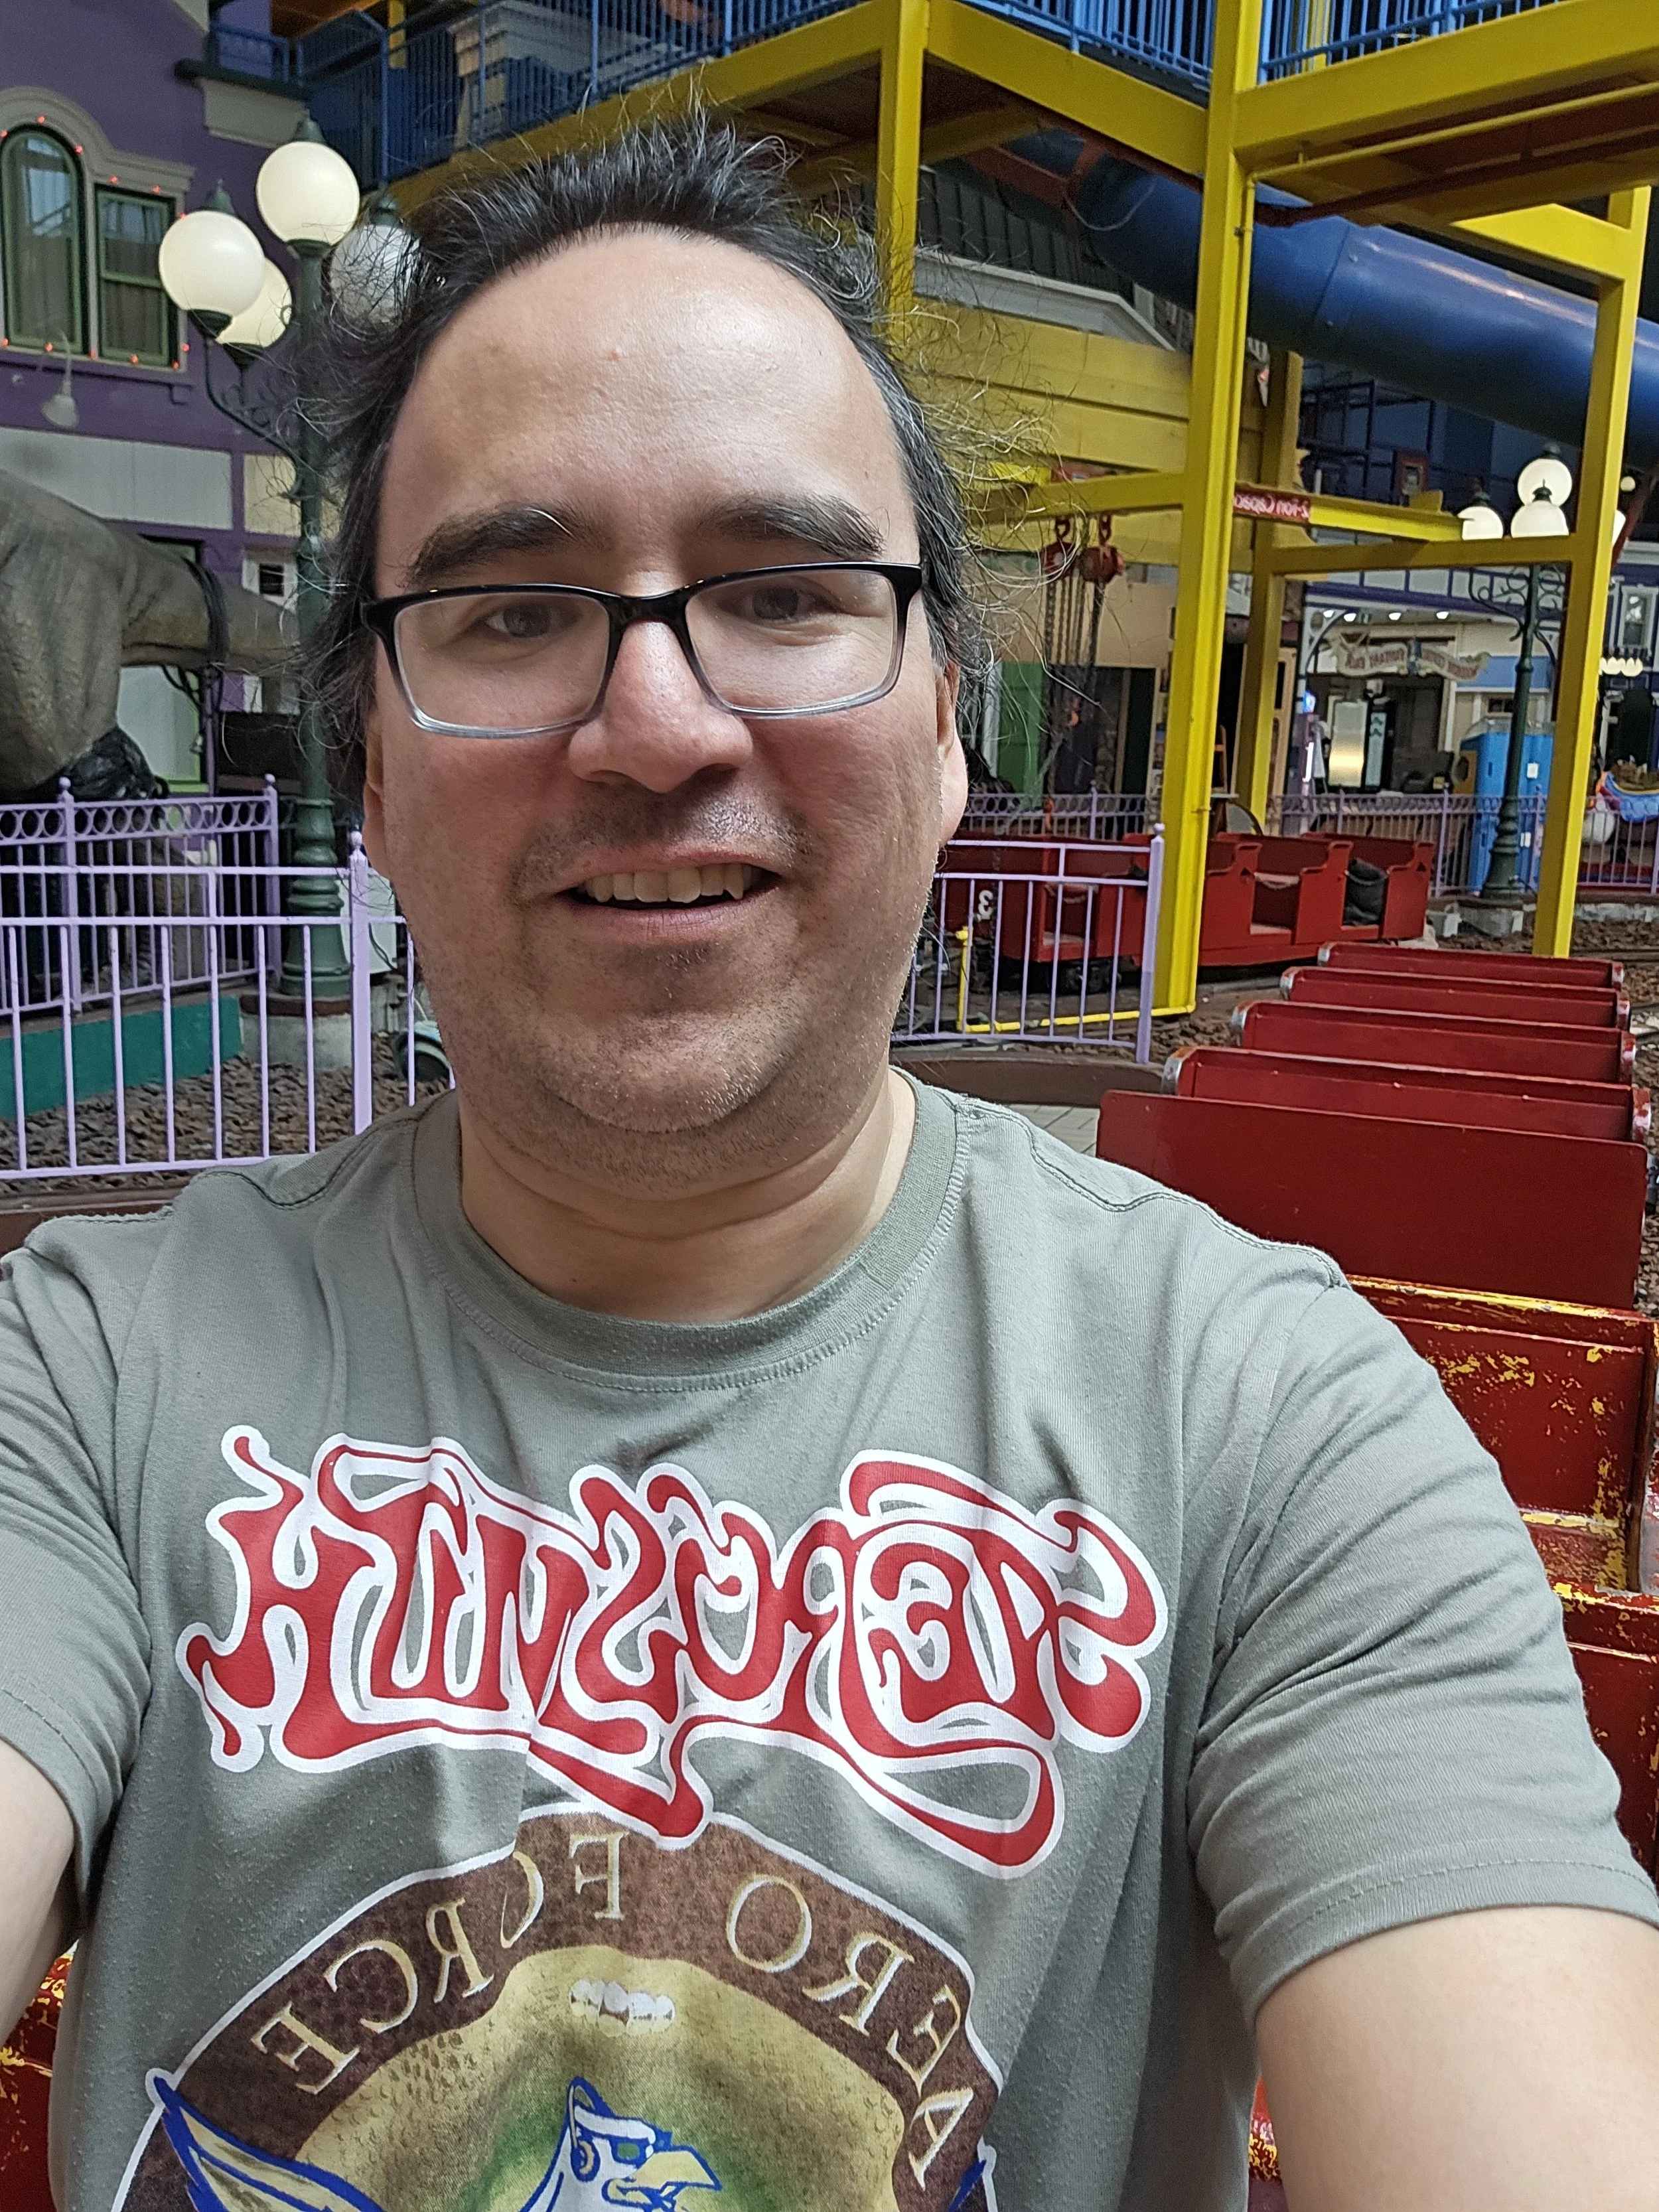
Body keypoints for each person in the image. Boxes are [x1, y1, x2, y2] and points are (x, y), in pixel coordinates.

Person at [0, 121, 1655, 2212]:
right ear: (378, 776)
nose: (655, 722)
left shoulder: (1267, 1427)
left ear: (949, 722)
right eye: (511, 610)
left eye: (783, 592)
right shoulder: (88, 1376)